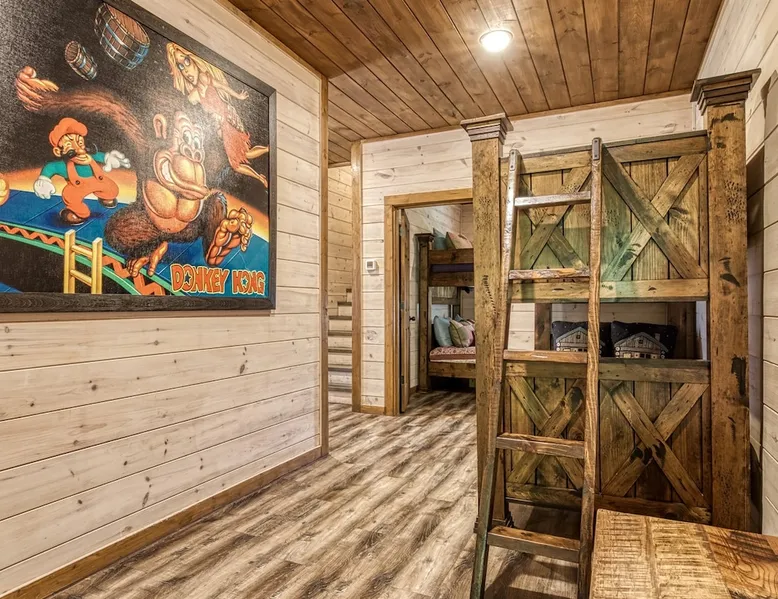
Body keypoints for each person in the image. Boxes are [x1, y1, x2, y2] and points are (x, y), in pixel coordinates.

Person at [166, 43, 268, 186]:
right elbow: (186, 112)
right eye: (181, 66)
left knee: (243, 155)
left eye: (187, 61)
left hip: (228, 121)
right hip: (222, 129)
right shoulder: (193, 96)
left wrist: (238, 96)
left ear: (194, 60)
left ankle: (265, 160)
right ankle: (261, 174)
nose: (186, 70)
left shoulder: (205, 78)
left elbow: (223, 87)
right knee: (238, 162)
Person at [34, 117, 130, 224]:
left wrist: (109, 158)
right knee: (71, 197)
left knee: (111, 189)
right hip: (77, 188)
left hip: (97, 181)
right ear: (58, 151)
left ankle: (106, 197)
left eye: (80, 143)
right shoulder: (63, 165)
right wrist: (44, 179)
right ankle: (76, 212)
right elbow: (51, 167)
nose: (80, 150)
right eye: (70, 145)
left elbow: (100, 156)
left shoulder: (90, 156)